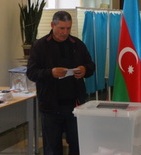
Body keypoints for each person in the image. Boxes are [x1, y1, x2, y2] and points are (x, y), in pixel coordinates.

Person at [27, 11, 95, 155]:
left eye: (68, 28)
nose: (65, 32)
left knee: (77, 145)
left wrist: (85, 69)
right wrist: (50, 73)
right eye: (61, 28)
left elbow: (90, 66)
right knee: (52, 148)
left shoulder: (77, 44)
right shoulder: (39, 46)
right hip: (50, 106)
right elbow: (32, 73)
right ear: (53, 25)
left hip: (75, 105)